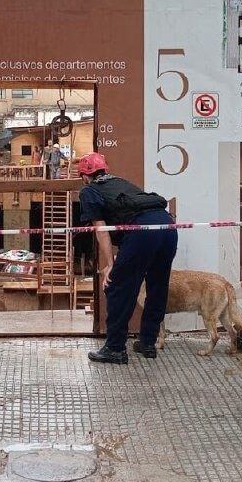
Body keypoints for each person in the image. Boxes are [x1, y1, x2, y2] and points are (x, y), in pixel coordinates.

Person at [76, 152, 177, 364]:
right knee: (158, 286)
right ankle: (148, 343)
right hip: (167, 225)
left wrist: (110, 265)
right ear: (105, 170)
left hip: (141, 231)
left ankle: (115, 349)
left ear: (84, 175)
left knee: (118, 287)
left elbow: (102, 230)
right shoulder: (120, 182)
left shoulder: (88, 191)